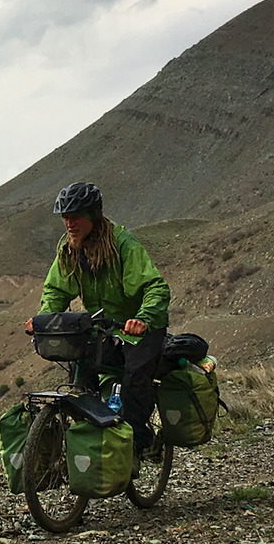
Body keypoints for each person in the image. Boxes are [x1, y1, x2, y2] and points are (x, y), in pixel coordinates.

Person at [24, 182, 170, 457]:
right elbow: (56, 290)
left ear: (93, 215)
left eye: (76, 216)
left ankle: (137, 443)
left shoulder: (123, 244)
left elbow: (155, 287)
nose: (69, 223)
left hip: (139, 327)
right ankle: (91, 438)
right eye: (65, 217)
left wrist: (143, 318)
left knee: (135, 378)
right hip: (101, 326)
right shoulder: (69, 249)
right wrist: (43, 321)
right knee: (82, 371)